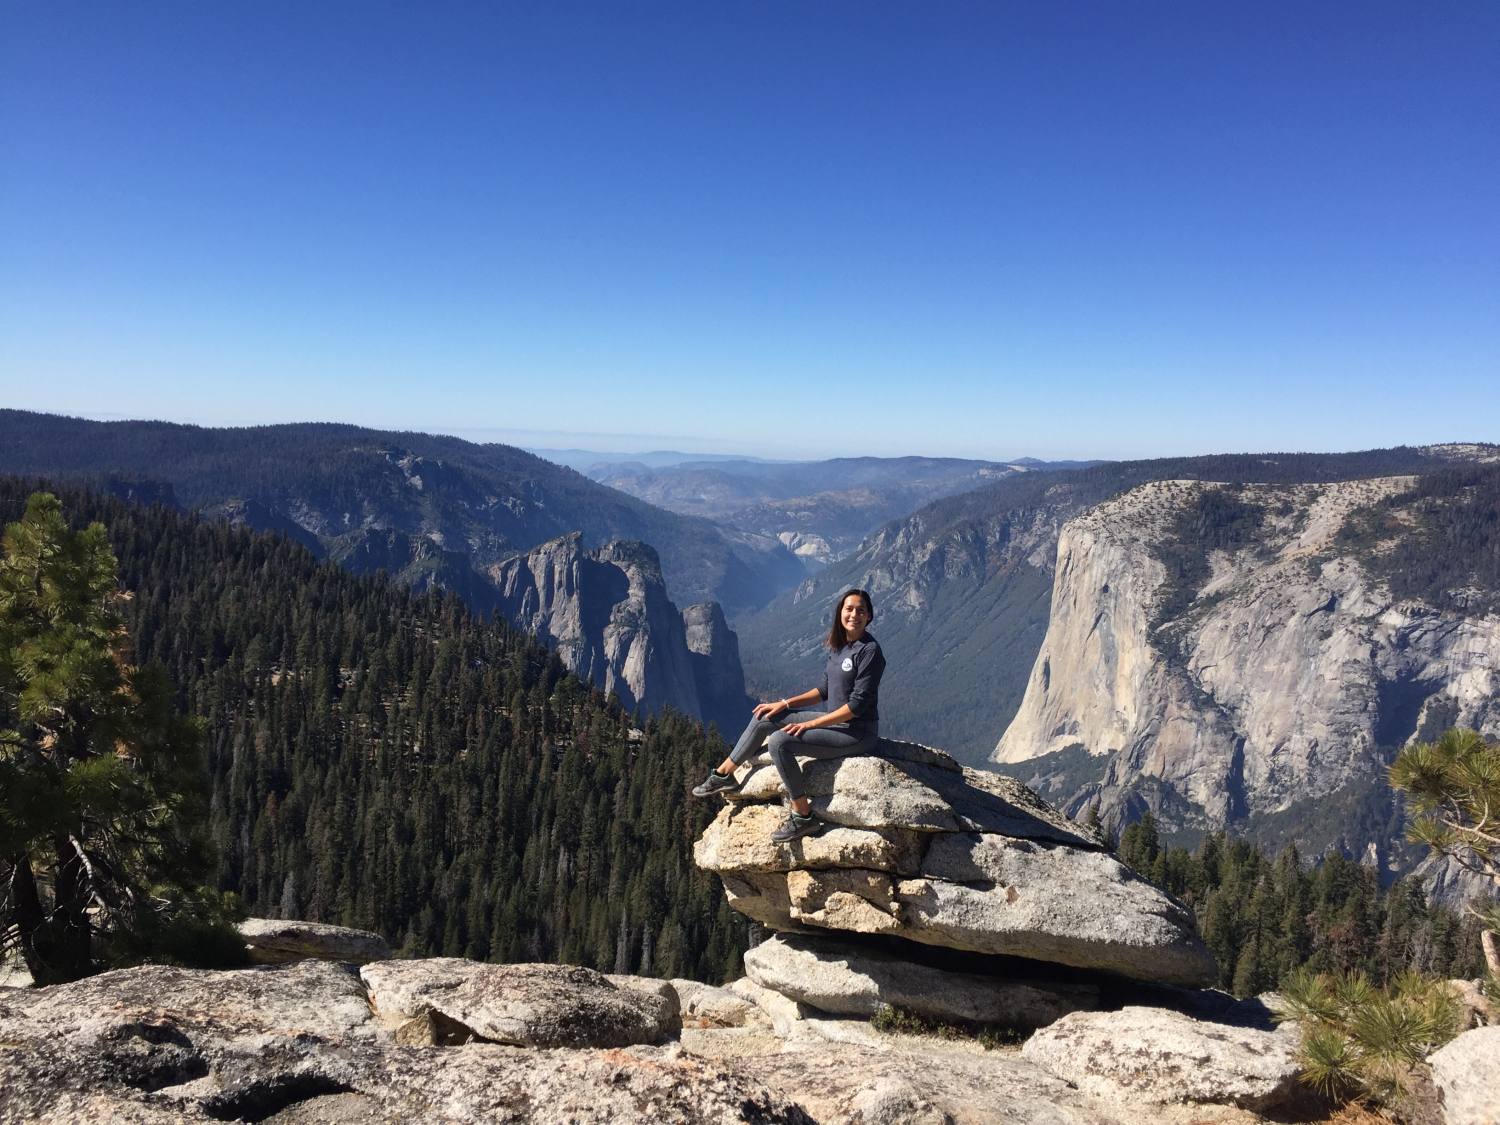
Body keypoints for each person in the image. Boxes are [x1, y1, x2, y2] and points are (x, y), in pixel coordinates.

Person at [692, 588, 886, 842]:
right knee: (765, 717)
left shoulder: (870, 651)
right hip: (835, 725)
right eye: (849, 609)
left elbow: (856, 707)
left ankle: (803, 817)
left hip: (857, 733)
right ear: (840, 612)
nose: (854, 615)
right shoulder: (840, 647)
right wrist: (784, 704)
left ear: (869, 616)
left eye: (861, 610)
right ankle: (724, 774)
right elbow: (825, 690)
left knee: (779, 741)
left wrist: (812, 724)